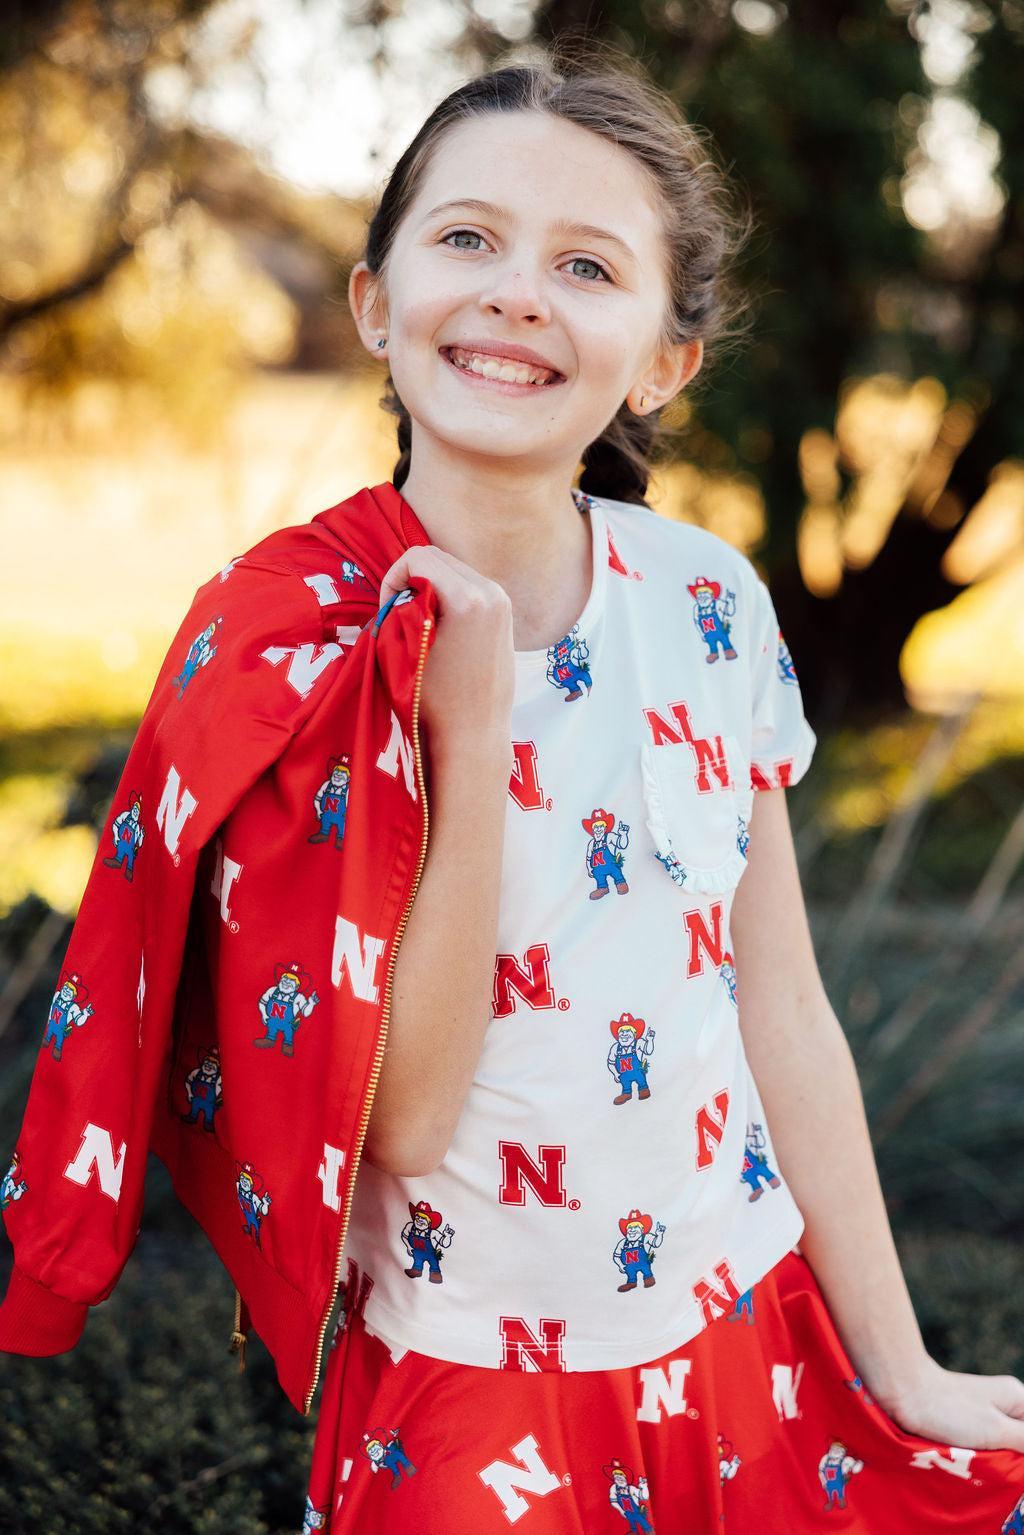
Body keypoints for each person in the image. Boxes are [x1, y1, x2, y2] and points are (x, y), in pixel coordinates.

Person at [296, 46, 1024, 1535]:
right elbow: (407, 1123)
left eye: (585, 264)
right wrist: (470, 732)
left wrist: (904, 1365)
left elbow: (784, 1006)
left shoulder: (704, 602)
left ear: (663, 361)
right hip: (471, 1377)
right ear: (377, 302)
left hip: (738, 1314)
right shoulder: (306, 648)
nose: (516, 292)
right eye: (467, 239)